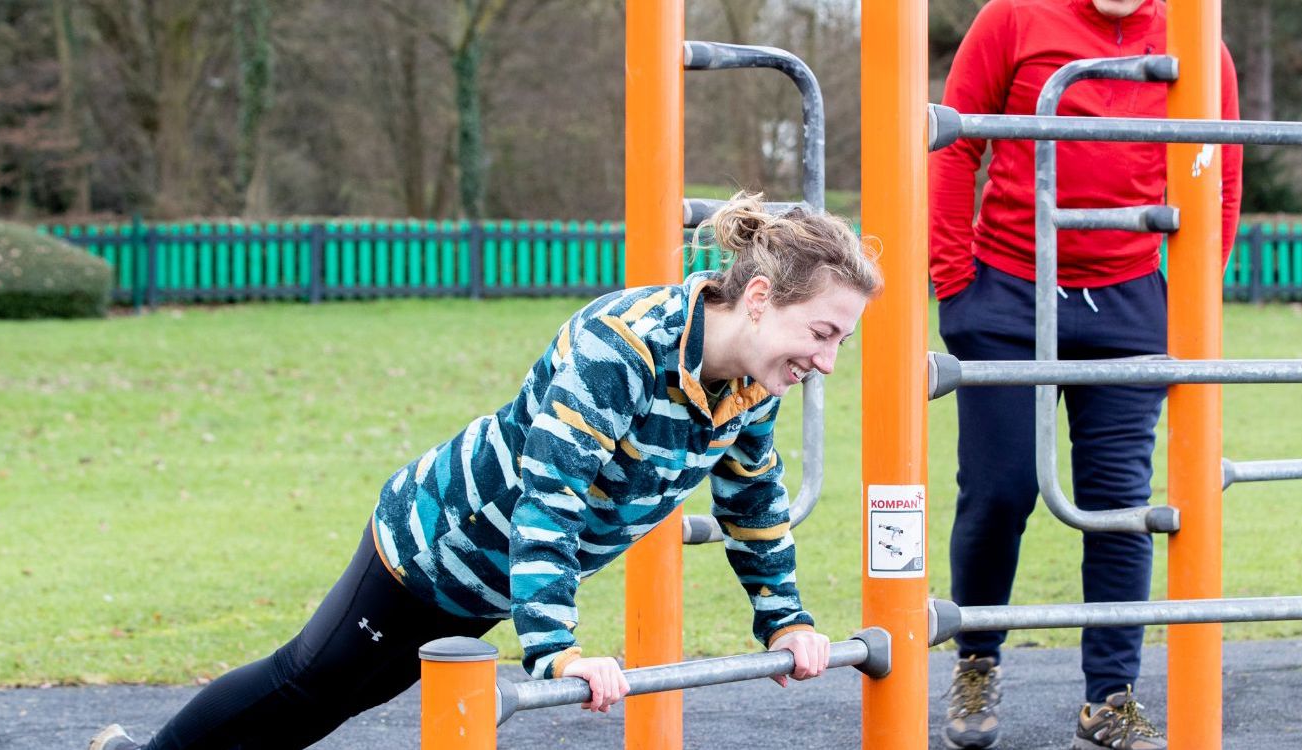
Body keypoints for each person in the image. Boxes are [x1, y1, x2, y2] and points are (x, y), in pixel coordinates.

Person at [88, 192, 882, 750]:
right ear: (756, 297)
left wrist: (787, 618)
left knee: (347, 697)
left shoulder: (751, 384)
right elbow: (552, 498)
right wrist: (555, 649)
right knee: (308, 681)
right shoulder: (622, 345)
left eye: (840, 340)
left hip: (496, 579)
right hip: (436, 542)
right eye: (820, 332)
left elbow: (754, 502)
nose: (828, 360)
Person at [929, 1, 1242, 749]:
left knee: (1120, 505)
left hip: (1129, 297)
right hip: (1006, 287)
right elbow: (952, 141)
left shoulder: (1196, 41)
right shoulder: (1014, 17)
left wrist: (1188, 304)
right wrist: (953, 281)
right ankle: (977, 655)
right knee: (1000, 490)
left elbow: (1219, 177)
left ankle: (1110, 697)